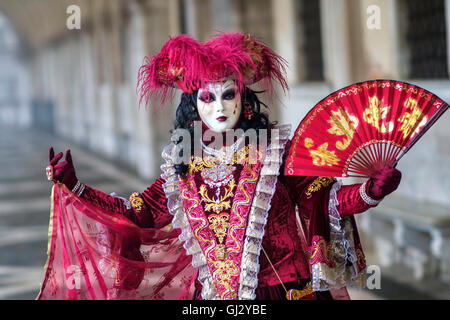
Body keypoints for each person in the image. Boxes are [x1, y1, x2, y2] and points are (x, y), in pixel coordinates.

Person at [39, 32, 401, 300]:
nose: (219, 107)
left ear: (243, 100)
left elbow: (322, 201)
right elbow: (137, 216)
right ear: (193, 105)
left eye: (228, 94)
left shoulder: (276, 151)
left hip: (283, 292)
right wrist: (76, 186)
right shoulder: (182, 166)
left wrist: (370, 191)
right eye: (208, 98)